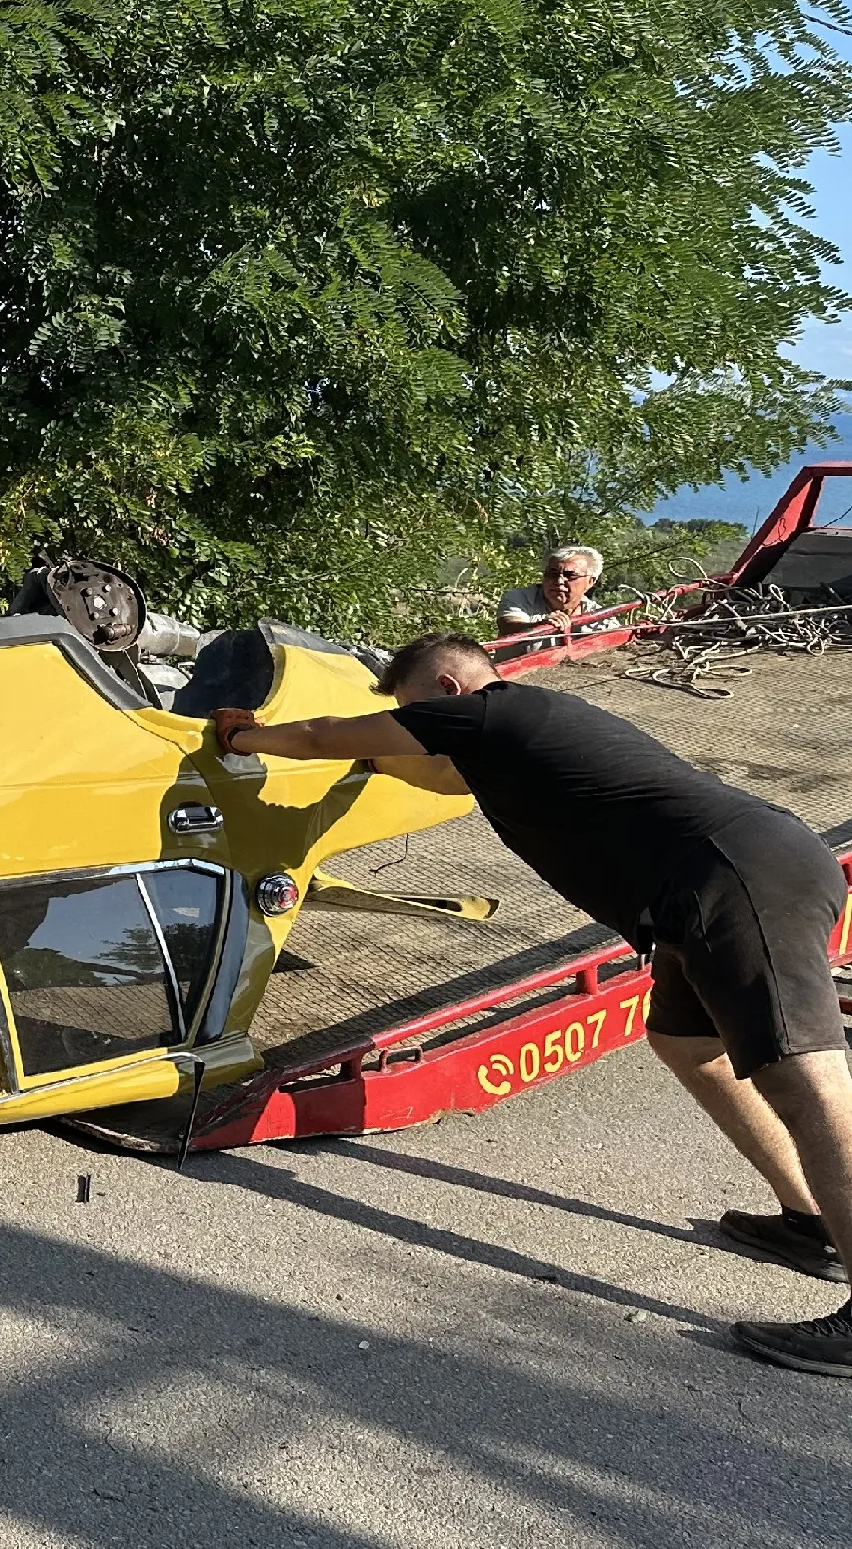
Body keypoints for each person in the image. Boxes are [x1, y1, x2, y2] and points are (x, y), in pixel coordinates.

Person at [209, 633, 852, 1375]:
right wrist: (371, 761)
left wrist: (242, 737)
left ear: (447, 691)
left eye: (412, 713)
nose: (412, 729)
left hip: (737, 879)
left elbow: (325, 734)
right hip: (712, 884)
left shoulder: (490, 712)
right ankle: (809, 1223)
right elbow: (437, 776)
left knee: (805, 1080)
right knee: (687, 1043)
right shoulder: (520, 733)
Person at [496, 546, 616, 639]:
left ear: (590, 581)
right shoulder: (520, 598)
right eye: (552, 574)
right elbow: (507, 627)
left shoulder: (602, 619)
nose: (559, 581)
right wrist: (541, 627)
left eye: (570, 575)